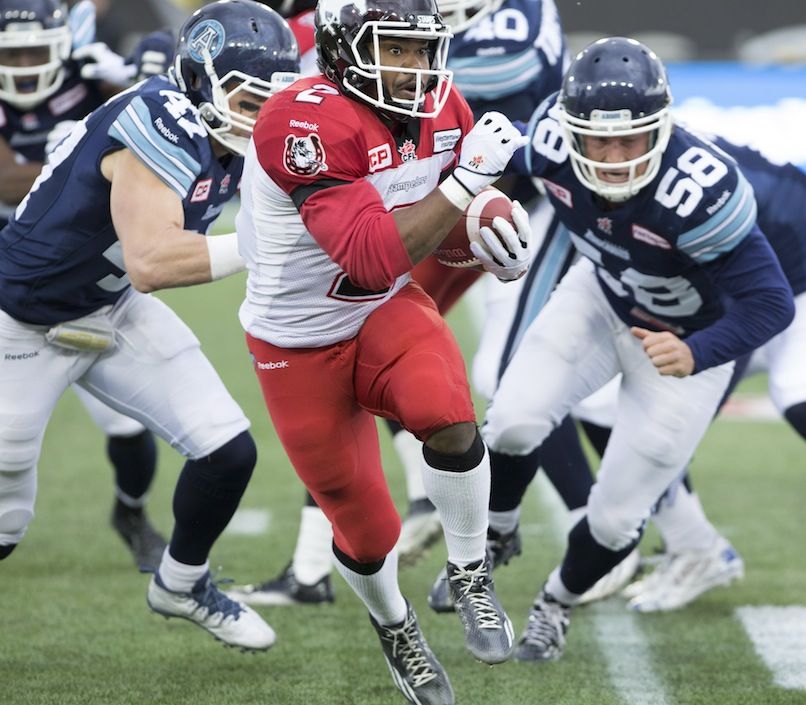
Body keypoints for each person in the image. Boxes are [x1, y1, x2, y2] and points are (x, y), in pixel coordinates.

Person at [236, 0, 532, 699]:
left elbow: (437, 238)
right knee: (368, 529)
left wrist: (491, 242)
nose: (413, 67)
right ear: (342, 49)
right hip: (298, 342)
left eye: (421, 49)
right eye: (393, 49)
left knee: (450, 412)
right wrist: (469, 184)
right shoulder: (302, 120)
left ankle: (469, 570)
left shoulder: (444, 106)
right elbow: (369, 254)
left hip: (381, 311)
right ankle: (397, 626)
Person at [479, 36, 794, 663]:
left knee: (618, 519)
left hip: (682, 342)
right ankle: (497, 534)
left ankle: (555, 603)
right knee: (511, 419)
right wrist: (474, 181)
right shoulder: (548, 142)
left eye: (631, 139)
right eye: (598, 140)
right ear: (570, 129)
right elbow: (494, 142)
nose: (615, 157)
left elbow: (773, 303)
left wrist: (700, 351)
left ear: (662, 127)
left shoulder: (701, 190)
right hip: (599, 298)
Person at [0, 0, 300, 652]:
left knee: (228, 449)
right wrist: (260, 246)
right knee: (7, 523)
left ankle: (181, 582)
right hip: (22, 321)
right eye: (250, 98)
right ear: (201, 80)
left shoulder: (235, 136)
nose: (265, 116)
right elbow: (153, 260)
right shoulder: (159, 115)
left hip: (109, 307)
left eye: (274, 101)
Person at [580, 134, 806, 612]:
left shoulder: (688, 193)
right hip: (753, 285)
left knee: (792, 392)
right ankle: (694, 545)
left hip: (778, 286)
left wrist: (696, 353)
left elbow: (748, 302)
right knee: (601, 404)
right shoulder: (621, 164)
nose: (612, 158)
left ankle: (695, 549)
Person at [0, 0, 179, 571]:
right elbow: (6, 179)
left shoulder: (100, 75)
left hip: (78, 276)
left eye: (34, 51)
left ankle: (131, 511)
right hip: (11, 278)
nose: (24, 64)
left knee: (125, 424)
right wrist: (88, 158)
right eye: (11, 53)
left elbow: (157, 134)